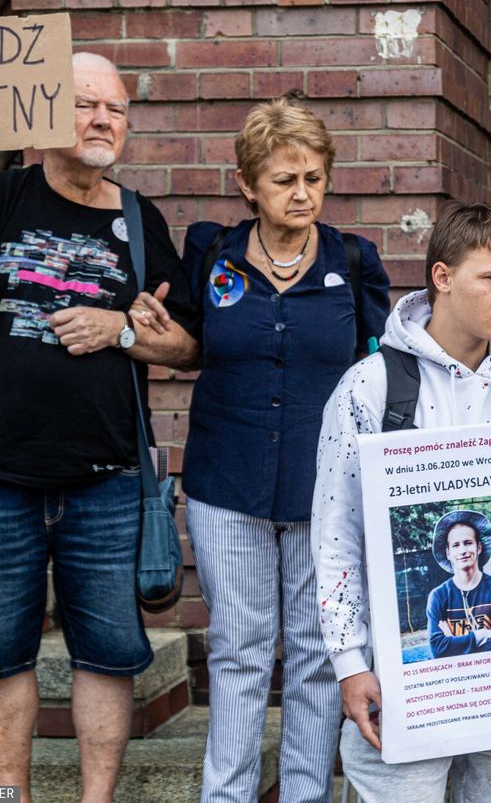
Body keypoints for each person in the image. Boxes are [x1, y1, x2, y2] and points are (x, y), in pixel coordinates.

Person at [0, 53, 198, 803]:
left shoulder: (140, 221)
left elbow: (187, 344)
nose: (104, 120)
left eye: (117, 108)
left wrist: (122, 329)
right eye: (84, 104)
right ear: (42, 116)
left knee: (106, 654)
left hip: (106, 479)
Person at [313, 201, 491, 803]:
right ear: (442, 278)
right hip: (403, 686)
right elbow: (335, 536)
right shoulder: (370, 387)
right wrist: (349, 663)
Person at [150, 97, 390, 803]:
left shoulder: (354, 259)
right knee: (238, 650)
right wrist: (141, 327)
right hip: (227, 483)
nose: (302, 193)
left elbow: (382, 370)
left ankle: (305, 793)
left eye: (314, 177)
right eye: (285, 179)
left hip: (325, 491)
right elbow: (186, 340)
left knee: (319, 654)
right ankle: (225, 795)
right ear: (247, 183)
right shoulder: (212, 254)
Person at [427, 510, 491, 658]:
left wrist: (453, 642)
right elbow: (438, 649)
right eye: (455, 545)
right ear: (448, 553)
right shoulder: (438, 596)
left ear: (478, 547)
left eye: (468, 543)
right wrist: (481, 635)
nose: (462, 550)